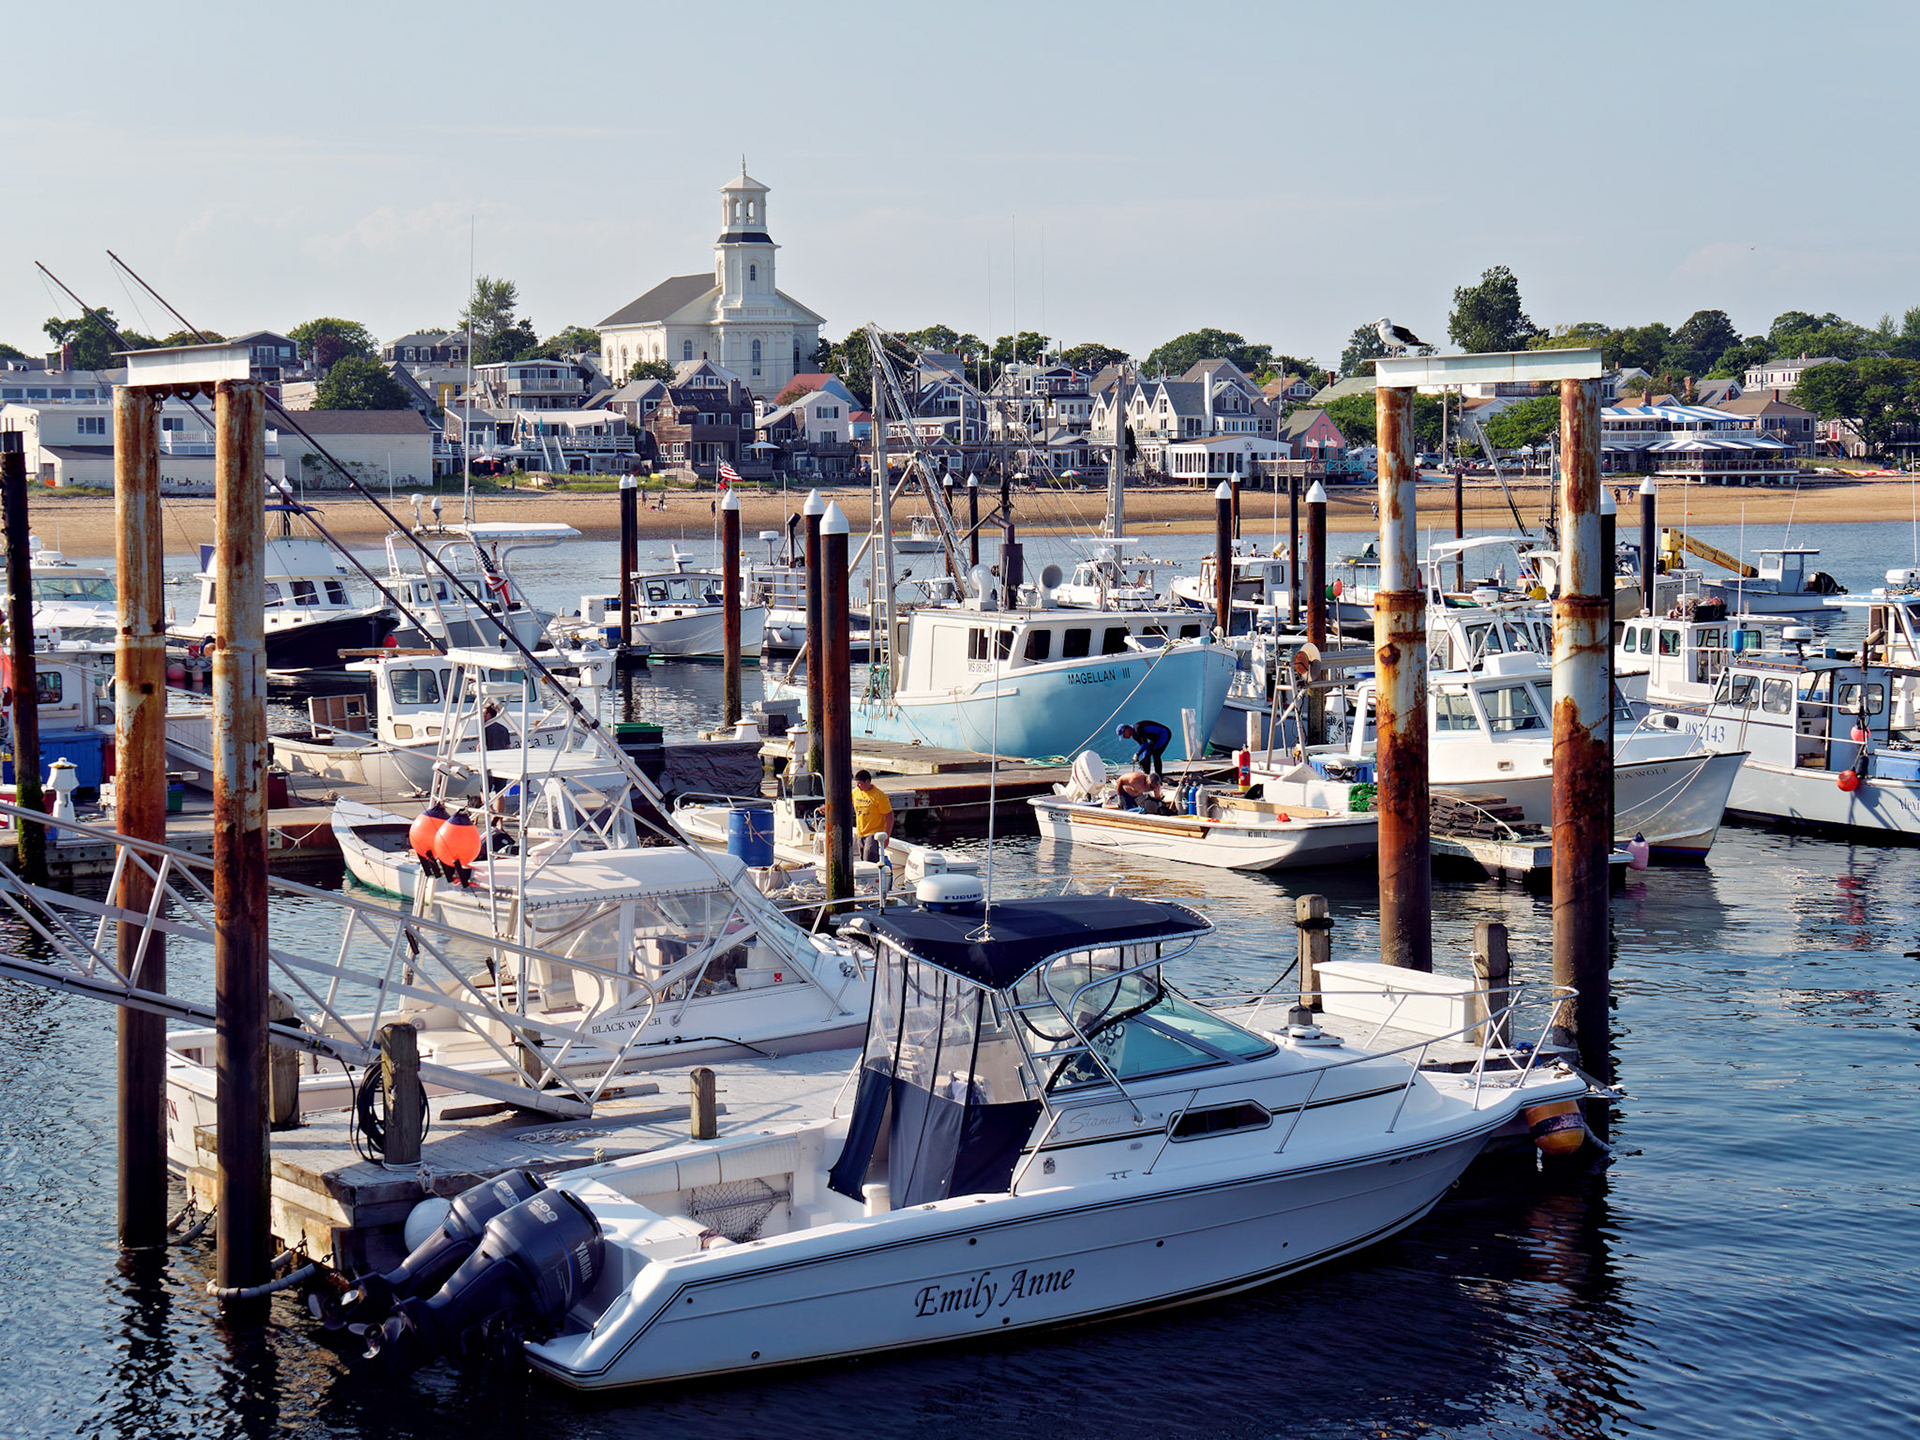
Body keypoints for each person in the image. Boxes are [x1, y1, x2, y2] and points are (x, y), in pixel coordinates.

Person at [852, 769, 894, 863]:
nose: (858, 786)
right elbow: (843, 800)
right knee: (863, 859)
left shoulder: (879, 796)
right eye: (857, 784)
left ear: (867, 782)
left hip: (873, 833)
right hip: (860, 832)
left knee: (869, 859)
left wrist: (887, 836)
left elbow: (889, 816)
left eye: (860, 783)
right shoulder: (856, 792)